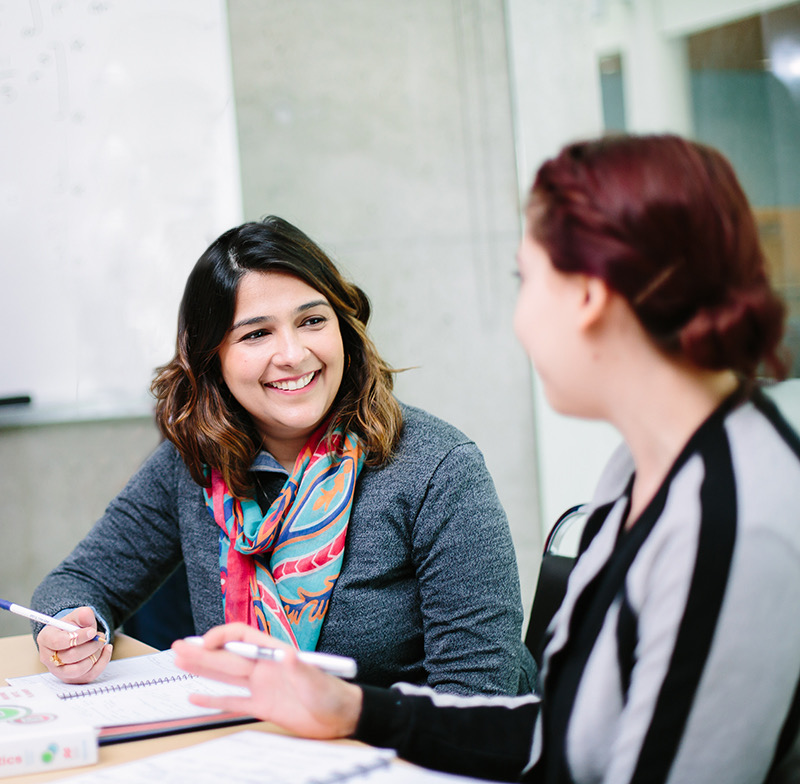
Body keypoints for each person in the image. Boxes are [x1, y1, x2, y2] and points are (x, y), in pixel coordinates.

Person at [173, 134, 800, 784]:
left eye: (525, 281)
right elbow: (563, 732)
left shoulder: (731, 518)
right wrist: (353, 708)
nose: (520, 319)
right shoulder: (641, 471)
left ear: (588, 296)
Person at [32, 215, 536, 696]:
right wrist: (72, 628)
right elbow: (80, 581)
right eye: (256, 333)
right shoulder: (192, 465)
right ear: (213, 360)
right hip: (262, 747)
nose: (293, 354)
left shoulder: (437, 468)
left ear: (343, 328)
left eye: (312, 320)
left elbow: (475, 699)